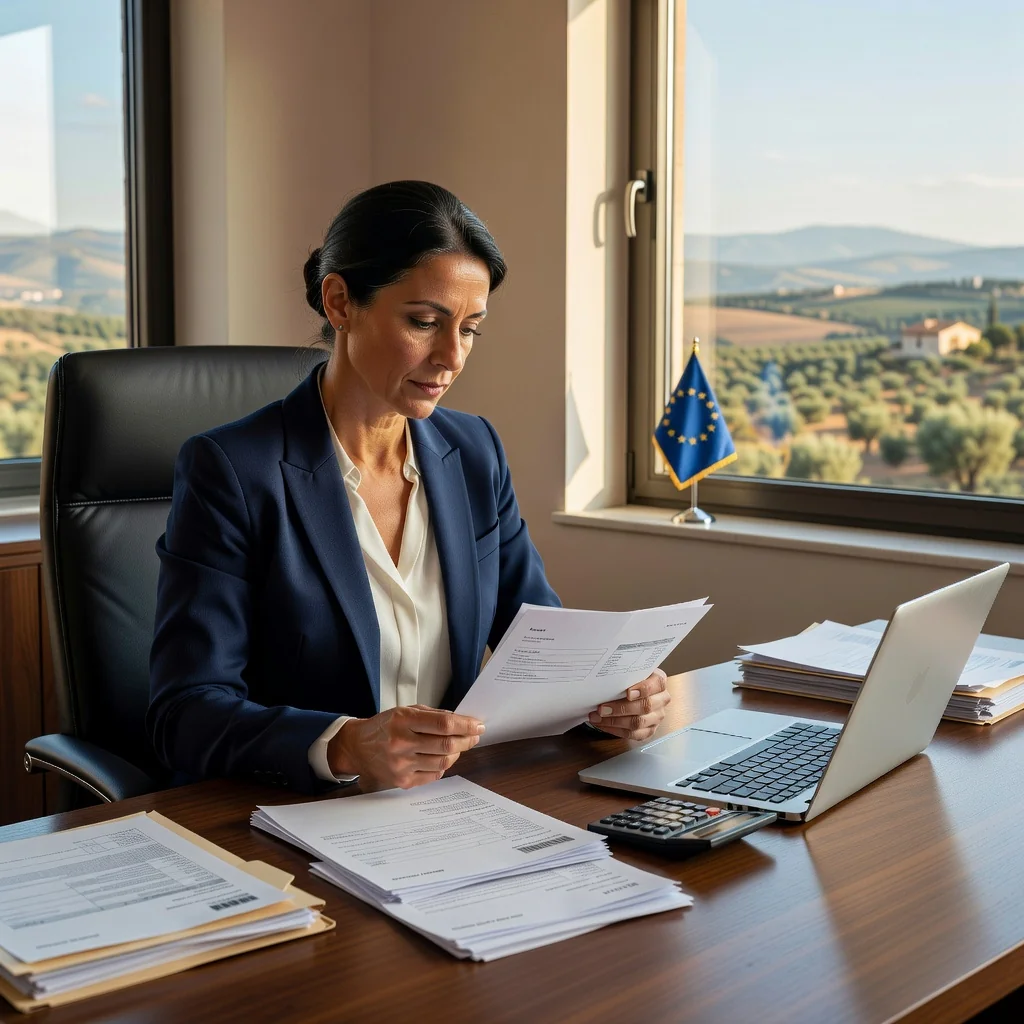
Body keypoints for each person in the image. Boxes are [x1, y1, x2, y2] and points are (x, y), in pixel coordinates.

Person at [147, 181, 670, 794]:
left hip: (451, 804)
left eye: (471, 329)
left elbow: (538, 639)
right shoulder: (232, 470)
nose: (452, 356)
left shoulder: (474, 451)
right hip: (291, 810)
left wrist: (607, 694)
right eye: (425, 322)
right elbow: (183, 713)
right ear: (339, 302)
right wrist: (341, 744)